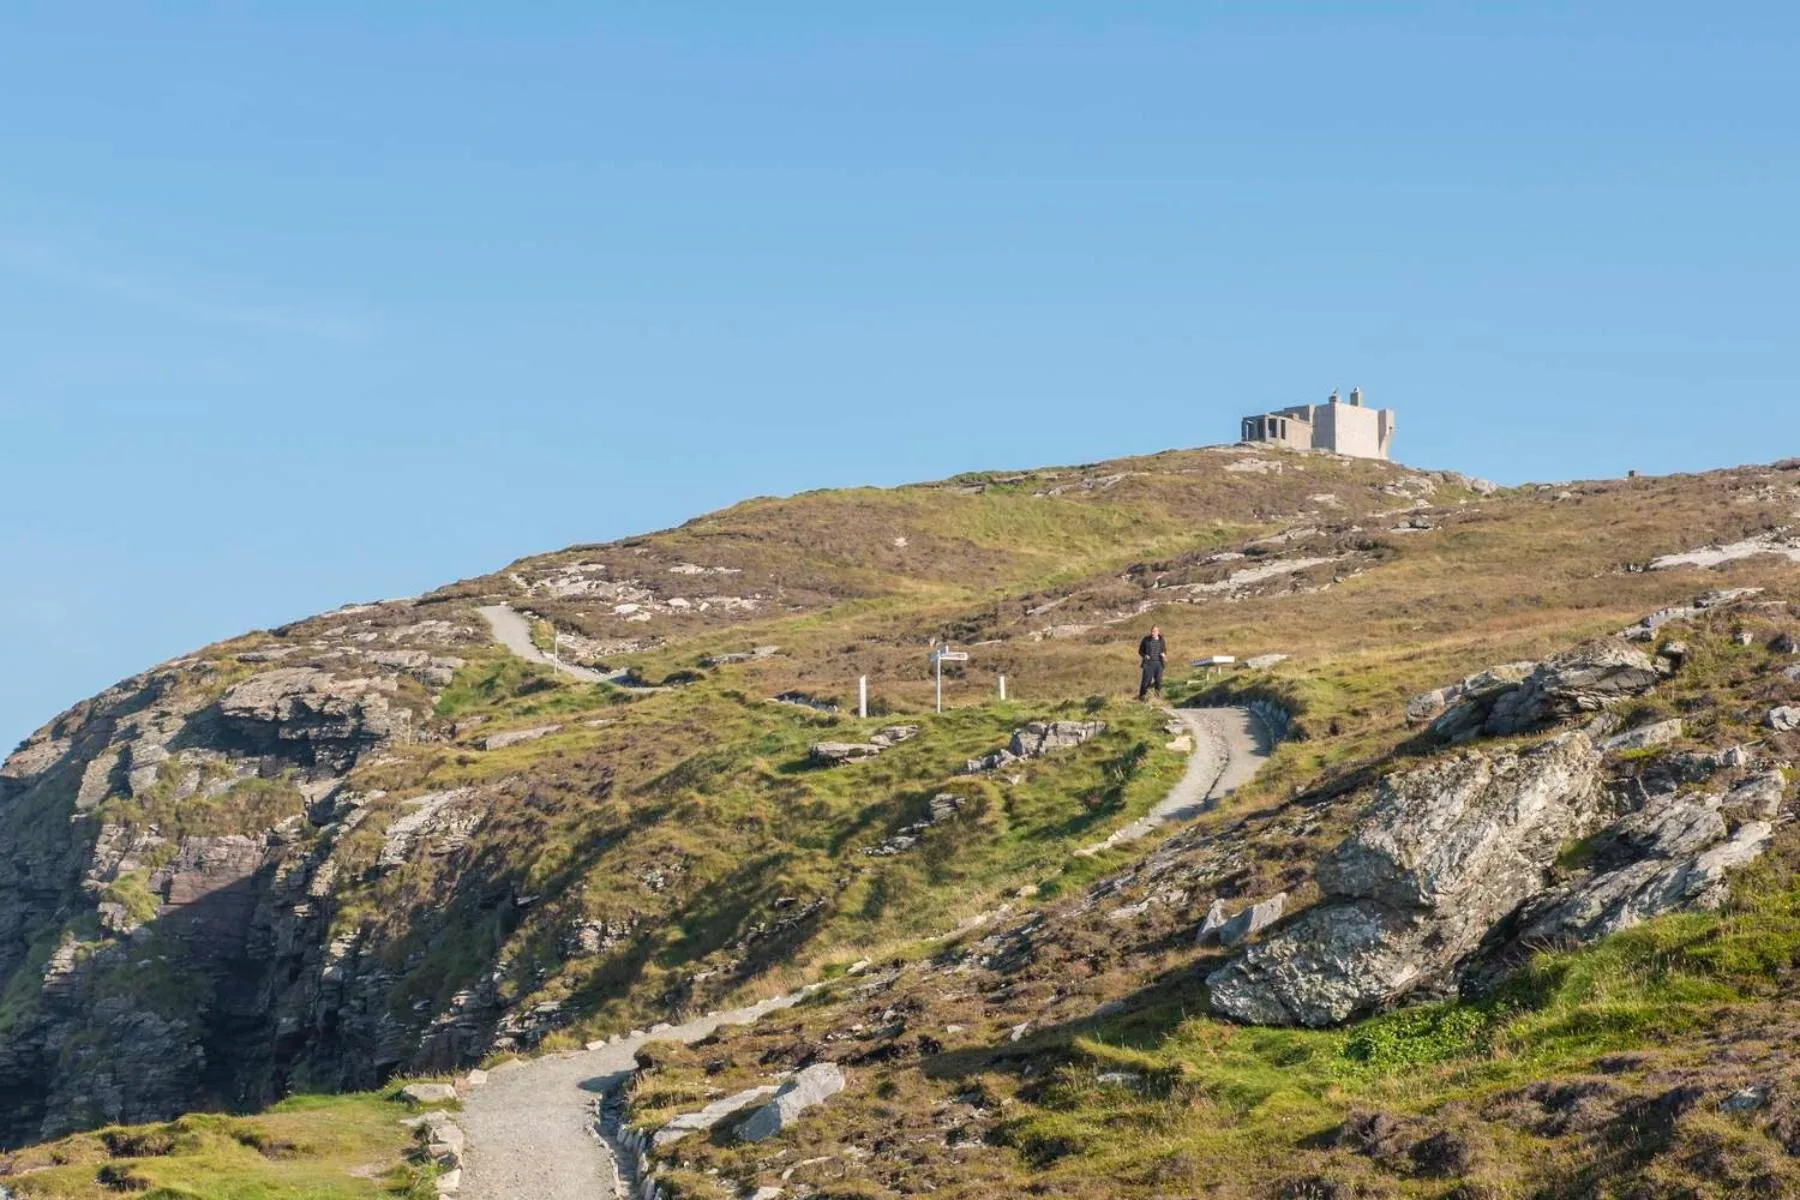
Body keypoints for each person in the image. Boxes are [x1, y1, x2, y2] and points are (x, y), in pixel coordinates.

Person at [1137, 626, 1167, 700]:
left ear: (1158, 632)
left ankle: (1157, 697)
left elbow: (1164, 650)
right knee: (1146, 681)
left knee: (1158, 681)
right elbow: (1140, 651)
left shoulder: (1161, 640)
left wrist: (1163, 655)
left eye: (1155, 631)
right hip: (1148, 664)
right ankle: (1142, 696)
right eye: (1152, 631)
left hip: (1159, 664)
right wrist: (1145, 655)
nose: (1153, 633)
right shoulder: (1146, 640)